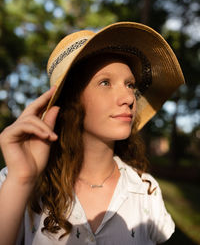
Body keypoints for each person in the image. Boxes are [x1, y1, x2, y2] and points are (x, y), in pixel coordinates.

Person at [0, 22, 185, 245]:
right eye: (105, 82)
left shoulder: (145, 189)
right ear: (71, 101)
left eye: (130, 85)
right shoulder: (15, 182)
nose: (128, 98)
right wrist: (21, 180)